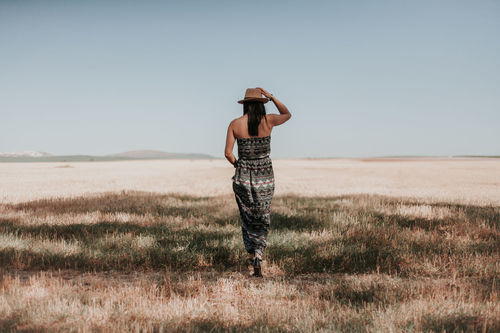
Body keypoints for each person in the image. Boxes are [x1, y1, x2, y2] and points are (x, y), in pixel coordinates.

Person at [224, 87, 292, 277]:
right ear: (260, 104)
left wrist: (240, 165)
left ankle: (252, 253)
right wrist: (271, 97)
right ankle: (259, 256)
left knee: (247, 217)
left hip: (243, 175)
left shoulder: (235, 124)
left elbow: (228, 153)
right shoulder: (269, 120)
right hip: (265, 175)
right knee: (262, 216)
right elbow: (287, 114)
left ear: (245, 105)